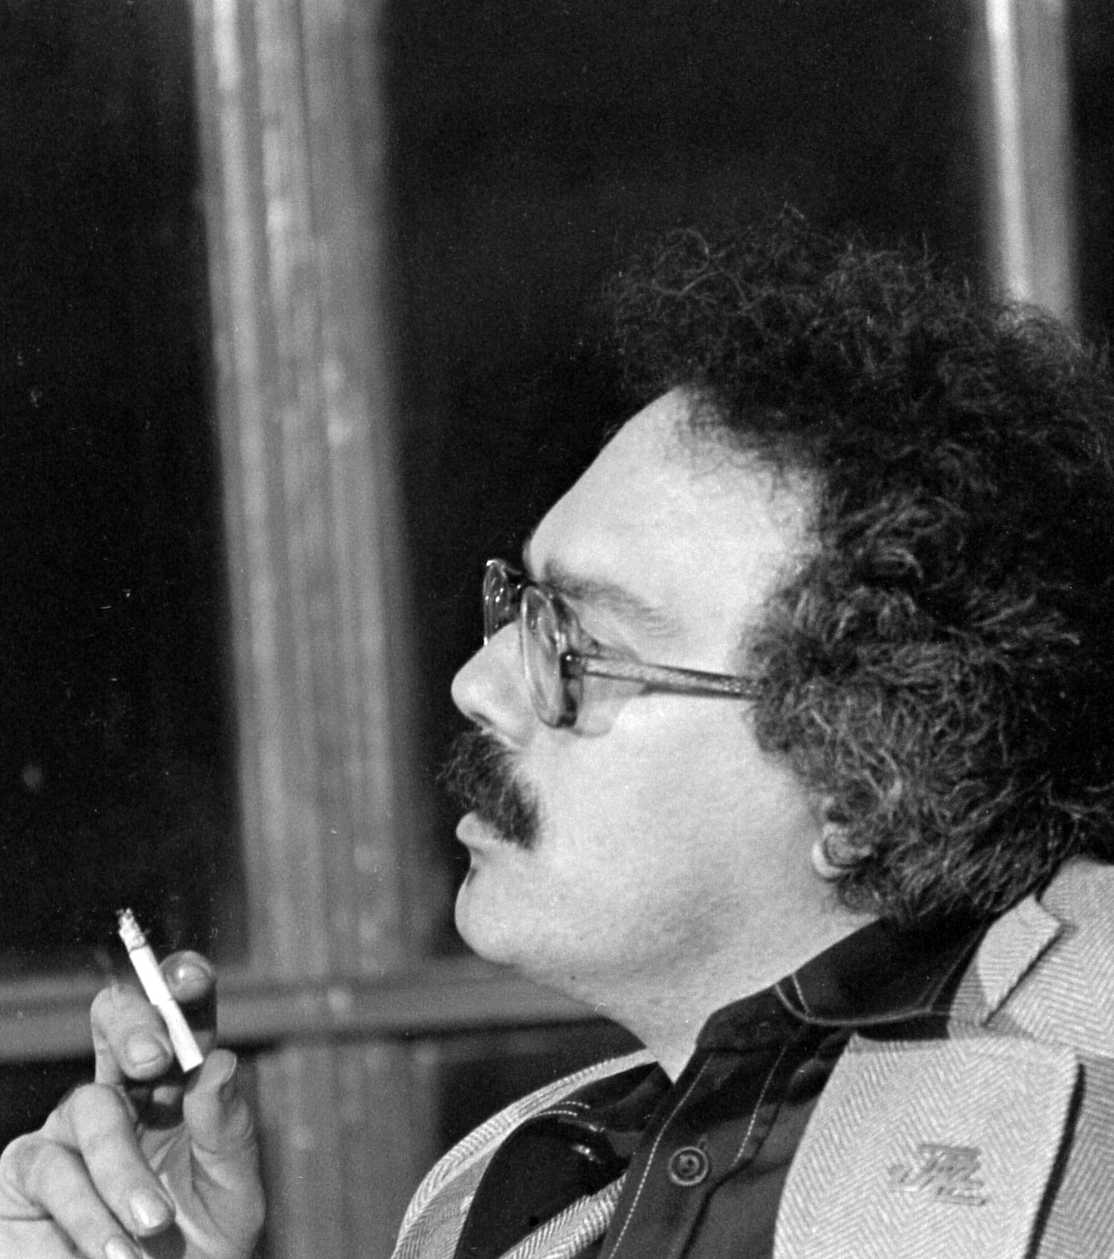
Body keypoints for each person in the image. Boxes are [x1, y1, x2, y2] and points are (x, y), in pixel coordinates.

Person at [4, 212, 1114, 1258]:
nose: (476, 683)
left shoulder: (1066, 1152)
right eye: (521, 610)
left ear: (860, 786)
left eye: (576, 648)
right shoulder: (510, 1180)